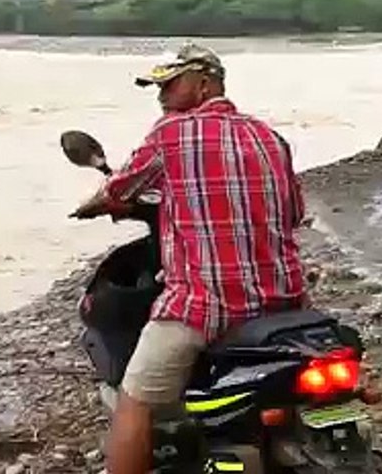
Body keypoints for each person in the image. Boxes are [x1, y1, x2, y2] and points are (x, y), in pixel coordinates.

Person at [69, 44, 306, 474]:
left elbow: (119, 188)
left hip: (206, 304)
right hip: (284, 299)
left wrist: (93, 205)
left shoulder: (171, 134)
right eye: (157, 86)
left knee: (134, 399)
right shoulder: (270, 136)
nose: (161, 95)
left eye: (169, 84)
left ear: (204, 83)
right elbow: (294, 213)